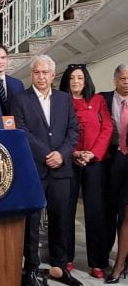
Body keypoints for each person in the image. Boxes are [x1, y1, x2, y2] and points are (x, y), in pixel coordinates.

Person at [10, 55, 81, 286]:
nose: (41, 77)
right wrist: (46, 154)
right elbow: (21, 131)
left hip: (61, 170)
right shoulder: (20, 99)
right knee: (31, 223)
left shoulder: (64, 99)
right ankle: (30, 270)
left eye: (45, 73)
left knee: (61, 220)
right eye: (36, 72)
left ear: (53, 75)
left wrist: (61, 154)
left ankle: (59, 267)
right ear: (31, 74)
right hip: (33, 170)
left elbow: (73, 130)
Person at [58, 64, 113, 279]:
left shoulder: (98, 100)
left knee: (95, 212)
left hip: (94, 162)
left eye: (80, 78)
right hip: (69, 160)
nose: (75, 82)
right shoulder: (60, 101)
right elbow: (58, 130)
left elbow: (107, 128)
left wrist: (93, 153)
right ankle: (65, 258)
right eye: (72, 78)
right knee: (66, 211)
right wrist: (72, 153)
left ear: (86, 80)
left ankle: (97, 262)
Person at [99, 64, 128, 284]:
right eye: (123, 79)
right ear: (115, 80)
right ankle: (104, 256)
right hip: (112, 161)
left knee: (126, 215)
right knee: (109, 211)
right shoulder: (103, 99)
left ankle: (121, 264)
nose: (127, 82)